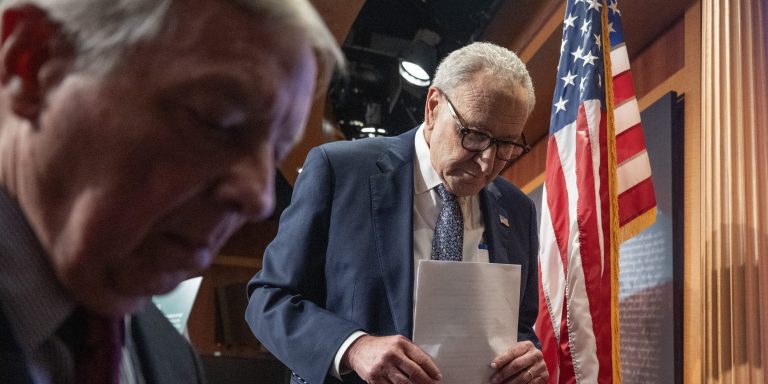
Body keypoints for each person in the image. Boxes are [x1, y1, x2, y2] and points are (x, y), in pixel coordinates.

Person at [0, 0, 342, 382]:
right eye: (215, 119)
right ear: (33, 63)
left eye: (276, 152)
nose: (259, 197)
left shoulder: (172, 361)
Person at [246, 42, 549, 384]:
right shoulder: (340, 171)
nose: (486, 162)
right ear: (433, 107)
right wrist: (353, 347)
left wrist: (526, 361)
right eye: (474, 135)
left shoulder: (517, 209)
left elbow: (519, 328)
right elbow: (269, 300)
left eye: (506, 144)